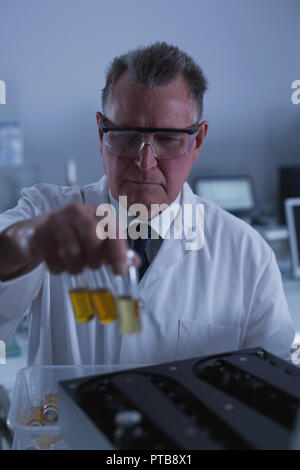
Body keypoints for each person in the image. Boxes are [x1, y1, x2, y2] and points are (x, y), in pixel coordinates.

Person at [0, 42, 295, 365]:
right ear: (101, 134)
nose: (145, 162)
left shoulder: (247, 255)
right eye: (126, 136)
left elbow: (274, 391)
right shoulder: (47, 212)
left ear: (196, 142)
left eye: (167, 140)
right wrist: (30, 240)